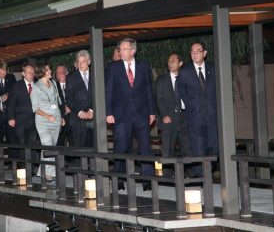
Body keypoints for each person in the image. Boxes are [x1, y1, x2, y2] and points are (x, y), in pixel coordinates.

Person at [105, 38, 156, 191]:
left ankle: (147, 180)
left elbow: (149, 90)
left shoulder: (143, 66)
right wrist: (109, 112)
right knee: (120, 147)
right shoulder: (113, 68)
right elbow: (108, 91)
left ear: (133, 51)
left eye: (124, 48)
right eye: (120, 49)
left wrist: (152, 112)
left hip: (142, 113)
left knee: (145, 148)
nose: (121, 51)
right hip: (121, 115)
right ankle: (119, 180)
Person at [177, 42, 218, 177]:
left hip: (212, 116)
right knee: (198, 150)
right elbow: (180, 92)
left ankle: (206, 174)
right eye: (192, 51)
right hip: (195, 117)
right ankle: (203, 179)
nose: (194, 54)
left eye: (198, 51)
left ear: (204, 53)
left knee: (214, 148)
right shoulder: (184, 71)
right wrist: (190, 107)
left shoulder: (213, 68)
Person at [155, 53, 191, 175]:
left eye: (173, 61)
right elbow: (158, 99)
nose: (170, 63)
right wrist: (164, 114)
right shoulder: (161, 80)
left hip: (184, 117)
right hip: (168, 118)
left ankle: (189, 174)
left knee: (187, 147)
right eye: (169, 61)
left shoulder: (185, 78)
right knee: (168, 149)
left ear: (180, 63)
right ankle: (167, 175)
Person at [31, 64, 64, 181]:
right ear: (43, 72)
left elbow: (57, 101)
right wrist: (47, 116)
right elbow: (35, 108)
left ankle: (44, 171)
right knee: (48, 146)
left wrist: (61, 117)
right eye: (48, 69)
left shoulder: (54, 83)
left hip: (55, 119)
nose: (50, 71)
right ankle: (48, 175)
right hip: (43, 121)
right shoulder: (36, 86)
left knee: (51, 148)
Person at [7, 63, 39, 160]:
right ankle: (23, 168)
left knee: (33, 144)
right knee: (22, 144)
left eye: (33, 73)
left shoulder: (37, 85)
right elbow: (11, 103)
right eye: (29, 72)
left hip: (34, 121)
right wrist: (11, 118)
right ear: (23, 74)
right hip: (20, 121)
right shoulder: (17, 86)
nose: (32, 74)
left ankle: (31, 168)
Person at [66, 50, 94, 148]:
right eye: (79, 62)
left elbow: (99, 94)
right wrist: (80, 112)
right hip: (78, 119)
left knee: (95, 148)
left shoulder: (96, 75)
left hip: (93, 117)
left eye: (83, 61)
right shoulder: (71, 77)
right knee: (80, 150)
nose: (81, 64)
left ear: (89, 62)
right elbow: (68, 98)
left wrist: (91, 110)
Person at [0, 61, 17, 143]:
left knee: (12, 140)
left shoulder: (11, 78)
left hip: (9, 115)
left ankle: (13, 156)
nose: (3, 75)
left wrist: (8, 95)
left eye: (5, 72)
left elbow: (15, 92)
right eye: (1, 73)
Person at [55, 65, 72, 146]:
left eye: (61, 72)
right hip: (60, 118)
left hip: (73, 118)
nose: (59, 74)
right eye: (57, 73)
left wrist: (71, 107)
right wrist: (63, 109)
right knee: (59, 144)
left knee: (74, 144)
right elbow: (52, 102)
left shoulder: (72, 85)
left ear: (66, 73)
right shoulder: (53, 86)